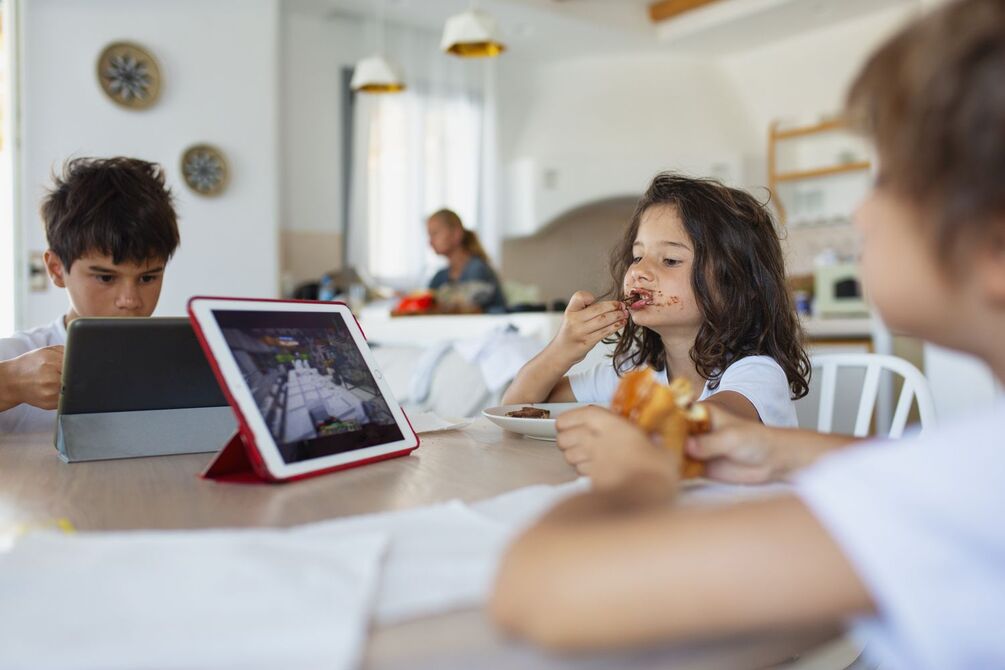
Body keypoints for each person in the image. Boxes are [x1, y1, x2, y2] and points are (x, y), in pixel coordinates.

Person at [491, 1, 1005, 667]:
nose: (860, 212)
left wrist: (637, 477)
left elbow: (543, 589)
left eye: (888, 181)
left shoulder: (962, 495)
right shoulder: (970, 472)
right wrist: (780, 448)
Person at [502, 172, 811, 474]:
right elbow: (517, 407)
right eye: (637, 257)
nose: (638, 272)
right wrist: (563, 349)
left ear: (736, 283)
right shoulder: (636, 375)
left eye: (670, 260)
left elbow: (707, 425)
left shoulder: (756, 373)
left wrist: (620, 427)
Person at [0, 157, 180, 433]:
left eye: (147, 278)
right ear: (57, 269)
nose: (130, 300)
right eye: (106, 277)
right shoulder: (14, 357)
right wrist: (9, 384)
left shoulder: (186, 363)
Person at [426, 208, 506, 311]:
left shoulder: (477, 269)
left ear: (456, 234)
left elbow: (472, 310)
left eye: (435, 233)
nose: (430, 241)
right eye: (429, 235)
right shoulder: (440, 277)